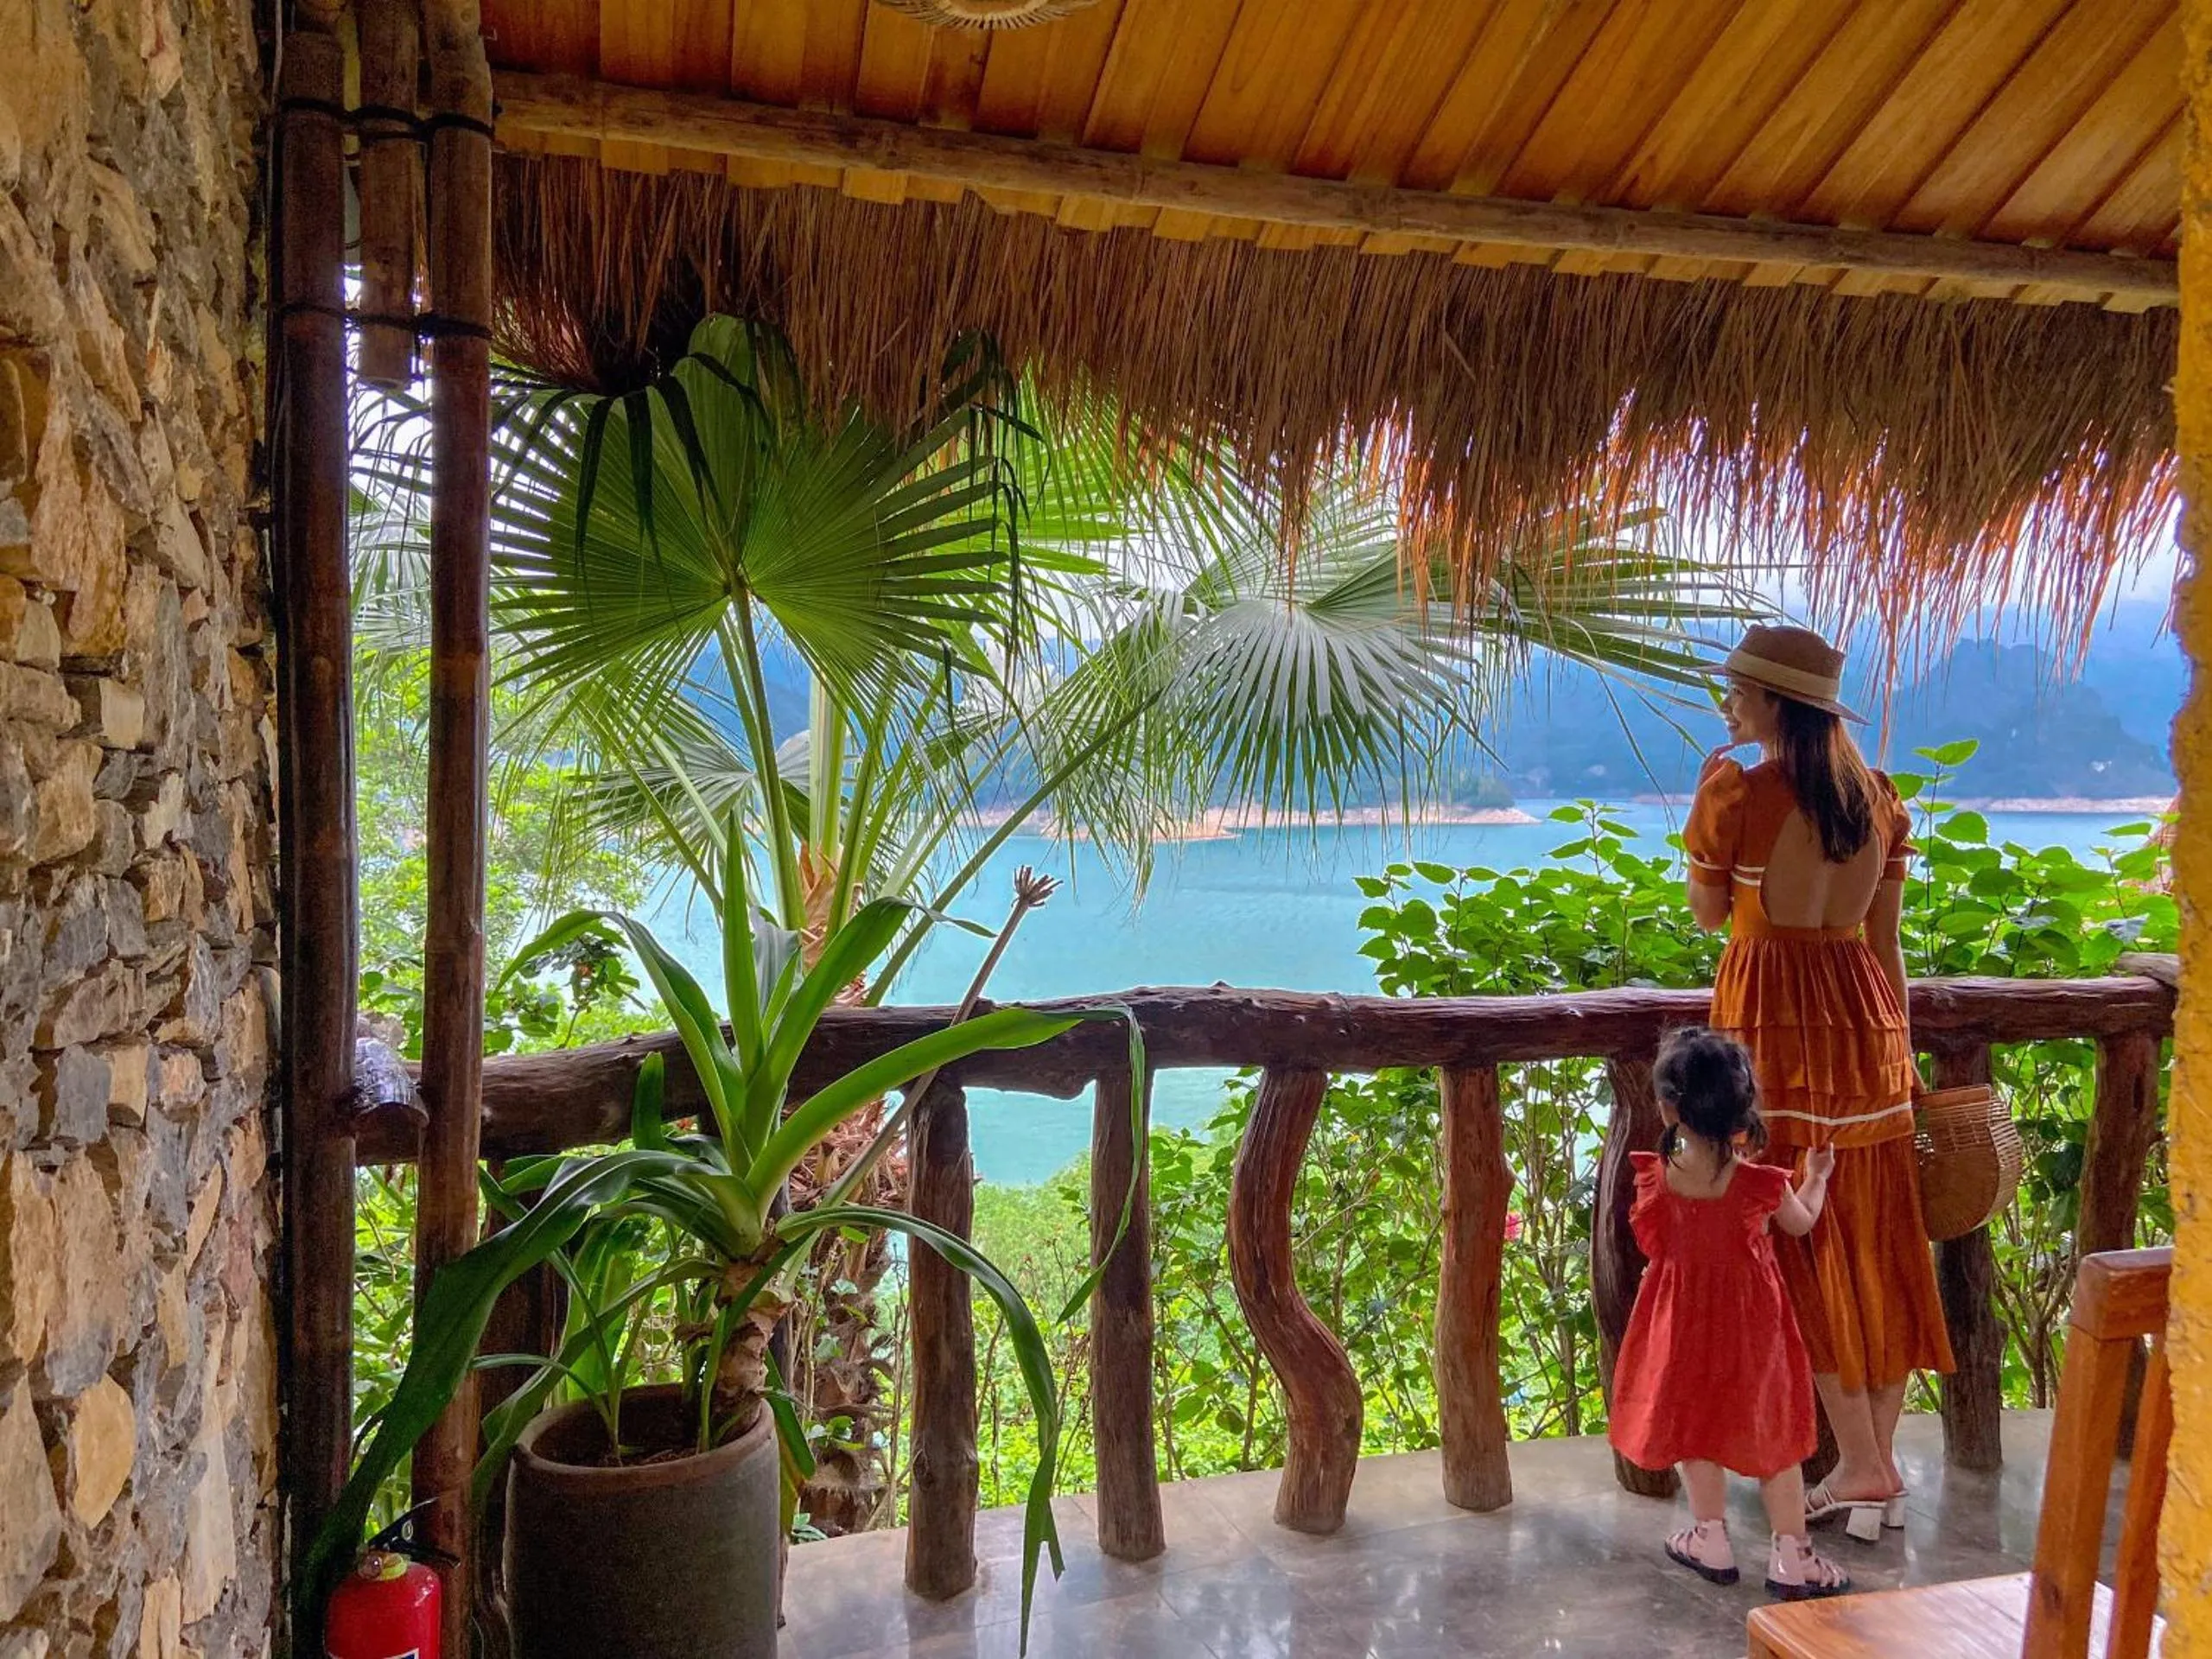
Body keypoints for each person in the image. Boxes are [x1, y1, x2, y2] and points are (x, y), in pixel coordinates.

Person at [1683, 623, 1955, 1545]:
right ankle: (1871, 1465)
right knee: (1875, 1239)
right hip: (1867, 1025)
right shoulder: (1875, 800)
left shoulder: (1742, 796)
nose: (1728, 705)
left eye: (1738, 692)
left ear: (1772, 706)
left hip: (1774, 1027)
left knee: (1793, 1234)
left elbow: (1712, 912)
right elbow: (1886, 945)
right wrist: (1904, 1056)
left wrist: (1704, 803)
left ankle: (1864, 1462)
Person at [1609, 1027, 1849, 1601]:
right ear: (1744, 1105)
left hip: (1679, 1324)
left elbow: (1654, 1246)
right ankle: (1793, 1556)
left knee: (1694, 1424)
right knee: (1773, 1434)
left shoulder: (1656, 1179)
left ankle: (1710, 1536)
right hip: (1753, 1327)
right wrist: (1815, 1179)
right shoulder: (1758, 1183)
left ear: (1668, 1106)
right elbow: (1801, 1223)